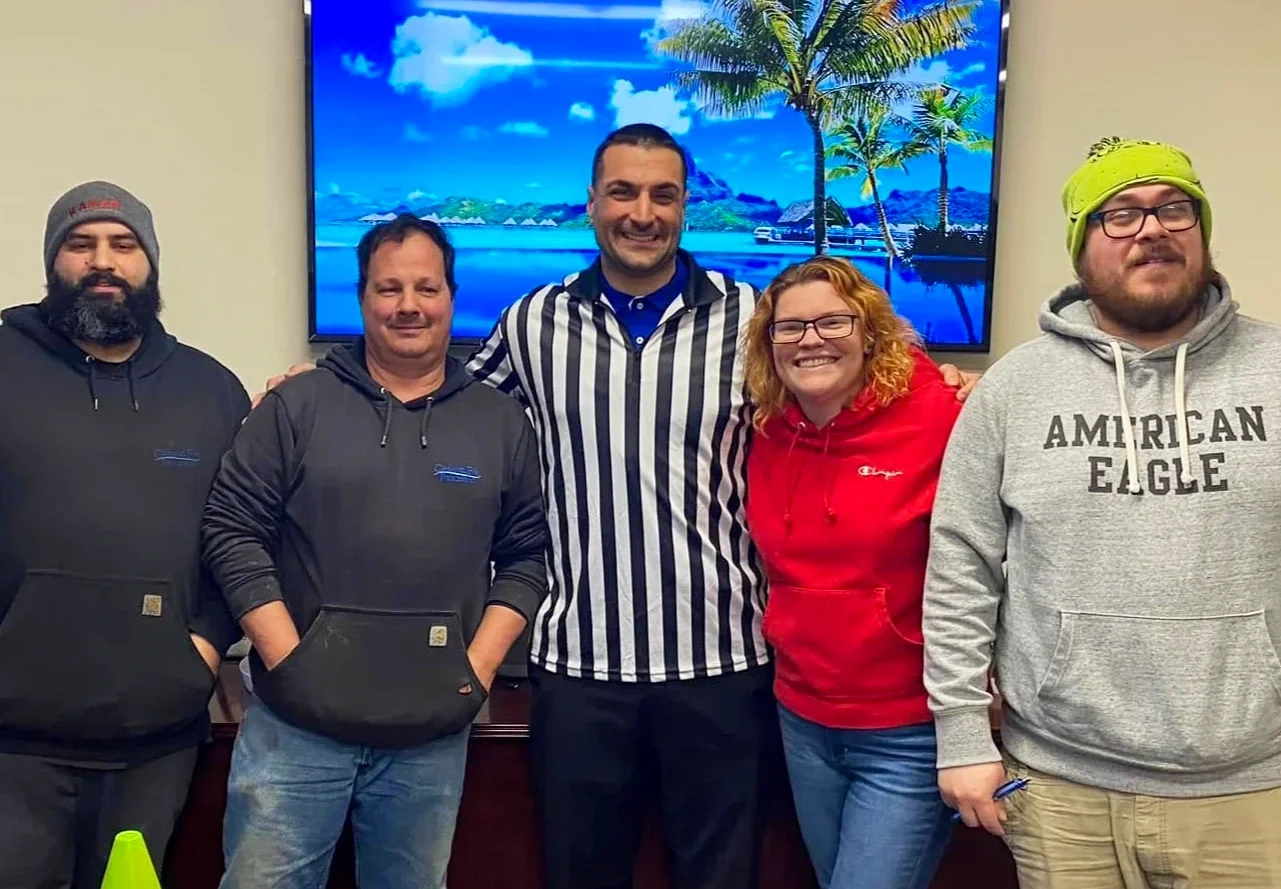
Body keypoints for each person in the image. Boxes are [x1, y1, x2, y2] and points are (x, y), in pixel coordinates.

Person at [260, 123, 978, 889]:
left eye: (663, 194)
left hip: (723, 665)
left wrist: (955, 389)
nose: (643, 211)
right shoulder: (532, 321)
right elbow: (439, 401)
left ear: (685, 206)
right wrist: (320, 389)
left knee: (718, 876)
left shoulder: (752, 321)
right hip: (577, 668)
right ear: (592, 204)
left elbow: (859, 380)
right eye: (623, 192)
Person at [923, 136, 1281, 888]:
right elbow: (960, 563)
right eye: (1118, 215)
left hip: (1252, 790)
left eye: (1174, 209)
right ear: (1082, 249)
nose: (1151, 229)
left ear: (1202, 233)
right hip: (1057, 789)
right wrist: (961, 734)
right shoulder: (1013, 388)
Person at [203, 214, 546, 889]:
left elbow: (529, 554)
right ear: (362, 298)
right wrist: (287, 657)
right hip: (293, 731)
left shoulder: (499, 421)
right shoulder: (295, 406)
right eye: (389, 289)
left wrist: (474, 668)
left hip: (429, 738)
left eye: (426, 287)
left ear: (451, 296)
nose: (408, 306)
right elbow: (230, 527)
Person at [0, 181, 247, 887]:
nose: (102, 260)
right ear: (54, 262)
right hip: (13, 748)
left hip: (154, 747)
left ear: (150, 262)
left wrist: (199, 647)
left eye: (122, 243)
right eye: (81, 244)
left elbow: (243, 540)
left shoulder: (211, 390)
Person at [742, 256, 961, 889]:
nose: (810, 340)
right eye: (789, 328)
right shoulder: (767, 430)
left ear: (870, 333)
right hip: (802, 719)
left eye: (833, 321)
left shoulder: (940, 413)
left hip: (906, 729)